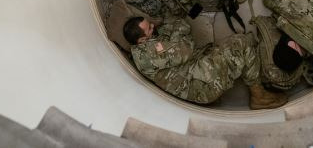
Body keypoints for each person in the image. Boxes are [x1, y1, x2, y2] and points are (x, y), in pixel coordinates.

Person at [123, 15, 288, 109]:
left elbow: (183, 29)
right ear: (142, 40)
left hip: (193, 74)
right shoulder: (149, 53)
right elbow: (187, 47)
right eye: (149, 28)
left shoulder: (146, 47)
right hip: (202, 84)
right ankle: (259, 96)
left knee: (231, 46)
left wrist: (174, 39)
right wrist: (175, 37)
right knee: (240, 43)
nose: (153, 25)